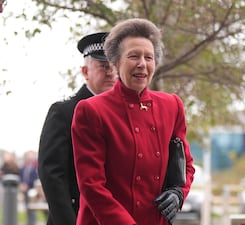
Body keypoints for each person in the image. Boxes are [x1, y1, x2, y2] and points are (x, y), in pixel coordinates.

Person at [71, 18, 195, 225]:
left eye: (149, 57)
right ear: (116, 62)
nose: (142, 64)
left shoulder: (172, 105)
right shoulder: (91, 110)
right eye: (133, 56)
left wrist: (179, 192)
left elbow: (186, 165)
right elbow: (91, 185)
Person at [38, 32, 116, 225]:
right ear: (85, 71)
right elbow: (52, 175)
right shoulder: (63, 112)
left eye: (114, 67)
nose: (111, 73)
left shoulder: (121, 114)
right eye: (103, 66)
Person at [19, 150, 39, 225]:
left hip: (32, 190)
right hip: (24, 190)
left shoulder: (35, 167)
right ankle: (29, 222)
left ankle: (32, 222)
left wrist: (28, 185)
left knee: (33, 208)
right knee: (27, 207)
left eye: (31, 155)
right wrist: (22, 184)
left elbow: (36, 178)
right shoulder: (23, 167)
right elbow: (21, 176)